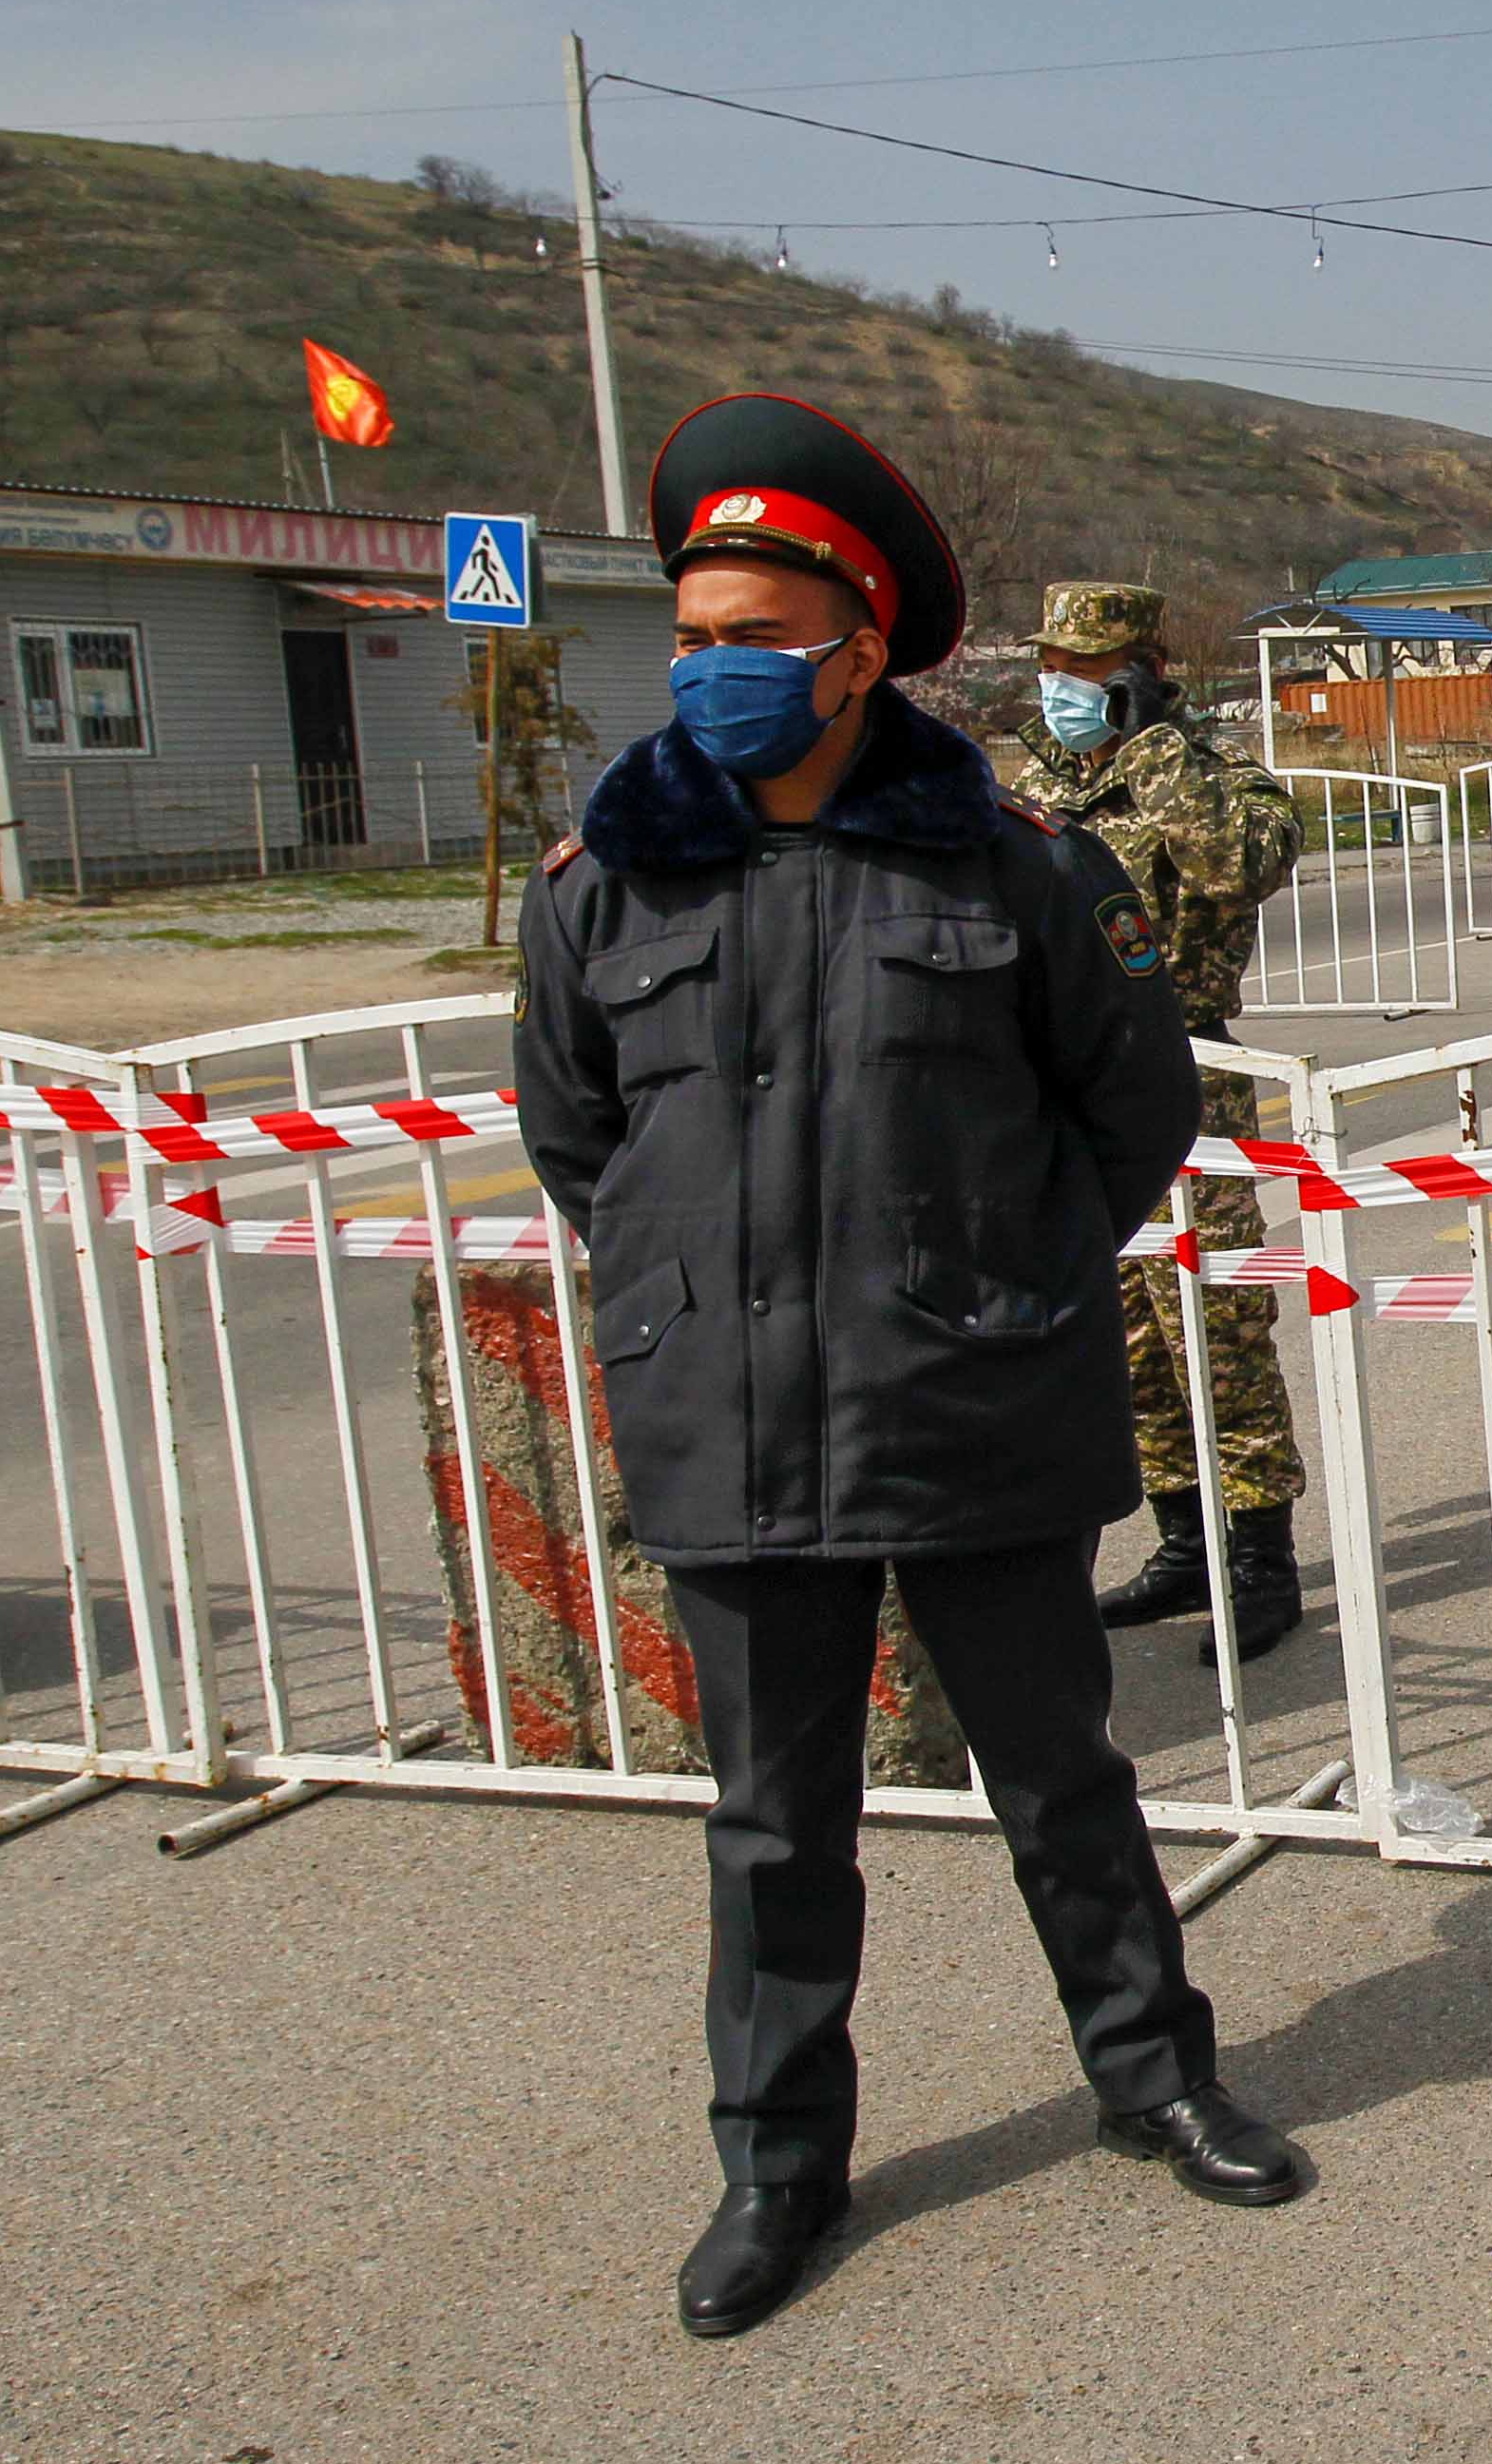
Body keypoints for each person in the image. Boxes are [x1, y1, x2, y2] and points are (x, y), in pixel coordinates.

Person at [516, 395, 1312, 2342]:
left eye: (754, 636)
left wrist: (1003, 1277)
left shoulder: (1012, 866)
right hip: (731, 1418)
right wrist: (701, 1286)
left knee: (1060, 1776)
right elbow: (577, 1134)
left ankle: (1153, 2075)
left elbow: (1131, 1108)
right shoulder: (605, 880)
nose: (710, 668)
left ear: (860, 648)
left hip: (970, 1396)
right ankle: (776, 2162)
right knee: (774, 1818)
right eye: (690, 635)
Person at [1013, 582, 1309, 1657]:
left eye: (1084, 670)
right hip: (1063, 1084)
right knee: (1125, 1333)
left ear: (1144, 672)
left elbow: (1237, 865)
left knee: (1213, 1325)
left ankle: (1261, 1559)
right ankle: (1185, 1542)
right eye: (1051, 665)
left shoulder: (1218, 776)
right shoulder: (1038, 785)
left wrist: (1152, 752)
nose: (1059, 687)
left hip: (1183, 1073)